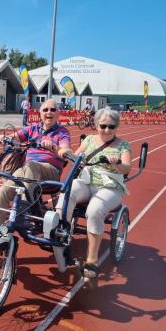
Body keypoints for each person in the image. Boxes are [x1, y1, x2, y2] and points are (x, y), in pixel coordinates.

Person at [0, 99, 72, 253]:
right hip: (28, 171)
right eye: (45, 110)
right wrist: (6, 138)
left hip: (50, 172)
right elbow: (16, 136)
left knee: (30, 166)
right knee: (4, 190)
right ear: (39, 113)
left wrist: (55, 147)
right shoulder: (32, 129)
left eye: (53, 110)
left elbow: (65, 150)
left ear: (58, 113)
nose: (49, 113)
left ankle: (23, 212)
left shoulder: (62, 132)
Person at [55, 108, 132, 279]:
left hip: (109, 186)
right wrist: (66, 154)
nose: (107, 130)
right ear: (96, 125)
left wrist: (117, 162)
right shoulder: (89, 139)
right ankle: (61, 237)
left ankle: (92, 259)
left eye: (111, 127)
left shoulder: (123, 145)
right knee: (67, 193)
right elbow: (76, 157)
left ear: (116, 127)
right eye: (103, 126)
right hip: (86, 180)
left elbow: (127, 168)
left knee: (94, 210)